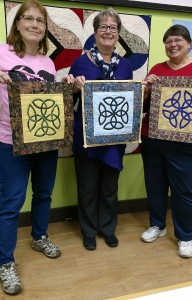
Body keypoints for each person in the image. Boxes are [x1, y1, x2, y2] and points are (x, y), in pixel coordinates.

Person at [0, 0, 74, 295]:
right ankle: (5, 261)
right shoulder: (2, 54)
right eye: (28, 19)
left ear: (45, 29)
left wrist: (64, 84)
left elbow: (48, 100)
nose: (34, 25)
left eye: (40, 21)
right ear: (17, 24)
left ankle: (39, 236)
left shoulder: (47, 62)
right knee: (10, 204)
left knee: (43, 193)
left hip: (45, 140)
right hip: (10, 143)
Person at [66, 8, 133, 251]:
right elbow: (69, 99)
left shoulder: (125, 66)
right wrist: (74, 86)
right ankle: (88, 231)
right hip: (86, 137)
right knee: (87, 186)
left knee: (109, 186)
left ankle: (107, 228)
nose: (108, 31)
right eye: (103, 27)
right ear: (94, 33)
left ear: (118, 34)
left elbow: (130, 101)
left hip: (114, 139)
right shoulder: (81, 62)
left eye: (112, 27)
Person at [140, 24, 192, 258]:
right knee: (155, 186)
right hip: (153, 140)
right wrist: (146, 90)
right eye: (168, 41)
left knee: (184, 191)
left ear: (188, 43)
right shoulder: (156, 69)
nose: (172, 45)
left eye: (177, 40)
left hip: (187, 145)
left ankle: (185, 236)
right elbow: (143, 108)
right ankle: (158, 225)